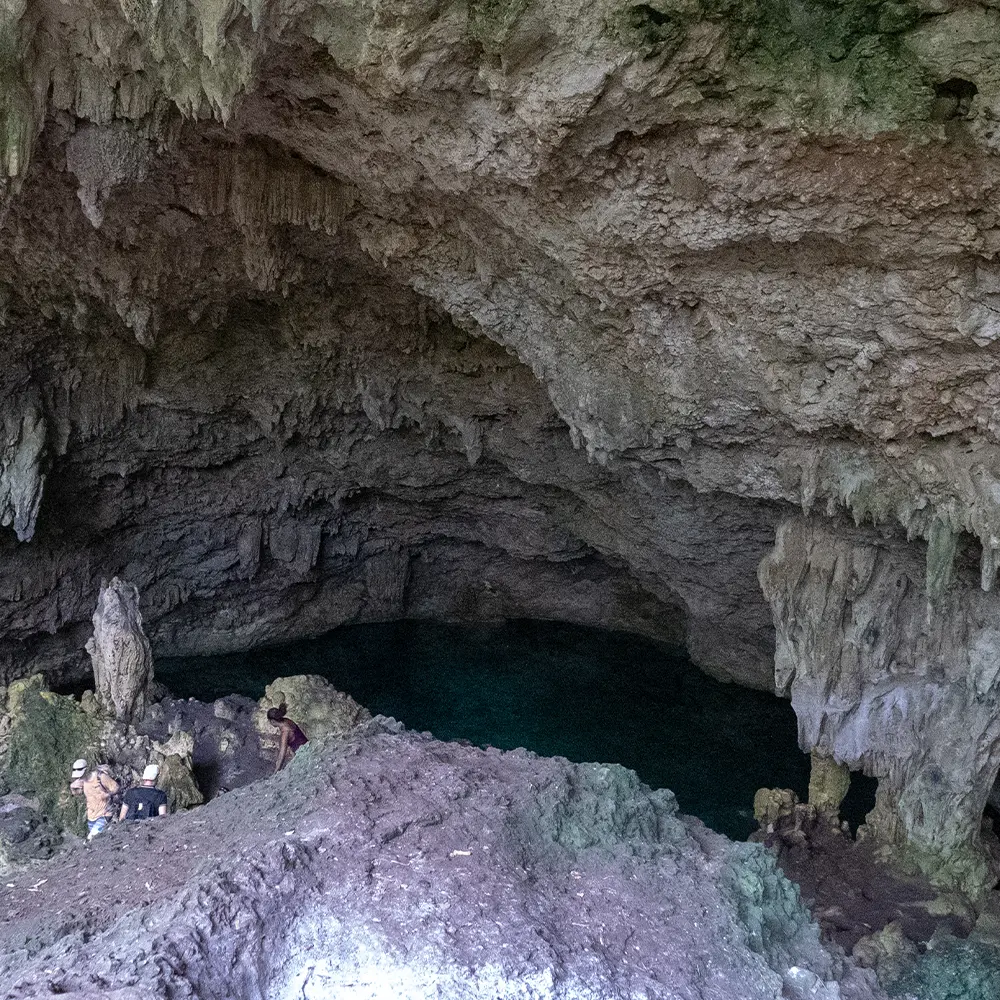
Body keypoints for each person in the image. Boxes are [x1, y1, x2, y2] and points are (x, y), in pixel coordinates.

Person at [81, 764, 120, 840]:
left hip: (104, 813)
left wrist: (108, 795)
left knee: (92, 838)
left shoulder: (100, 777)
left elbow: (116, 787)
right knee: (98, 840)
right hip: (91, 816)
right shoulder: (83, 781)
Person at [267, 704, 308, 773]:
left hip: (304, 756)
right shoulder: (287, 720)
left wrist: (276, 772)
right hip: (306, 746)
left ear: (272, 721)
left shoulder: (285, 732)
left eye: (269, 721)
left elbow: (281, 755)